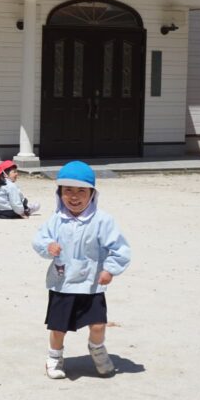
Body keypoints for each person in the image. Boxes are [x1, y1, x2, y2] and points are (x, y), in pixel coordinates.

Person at [32, 161, 131, 379]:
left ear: (92, 194)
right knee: (58, 328)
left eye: (81, 191)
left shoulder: (103, 221)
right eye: (68, 190)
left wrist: (110, 269)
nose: (74, 197)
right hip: (62, 283)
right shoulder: (56, 220)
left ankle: (97, 349)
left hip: (92, 284)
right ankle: (54, 357)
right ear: (59, 193)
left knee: (98, 326)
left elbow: (120, 248)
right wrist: (48, 246)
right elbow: (39, 239)